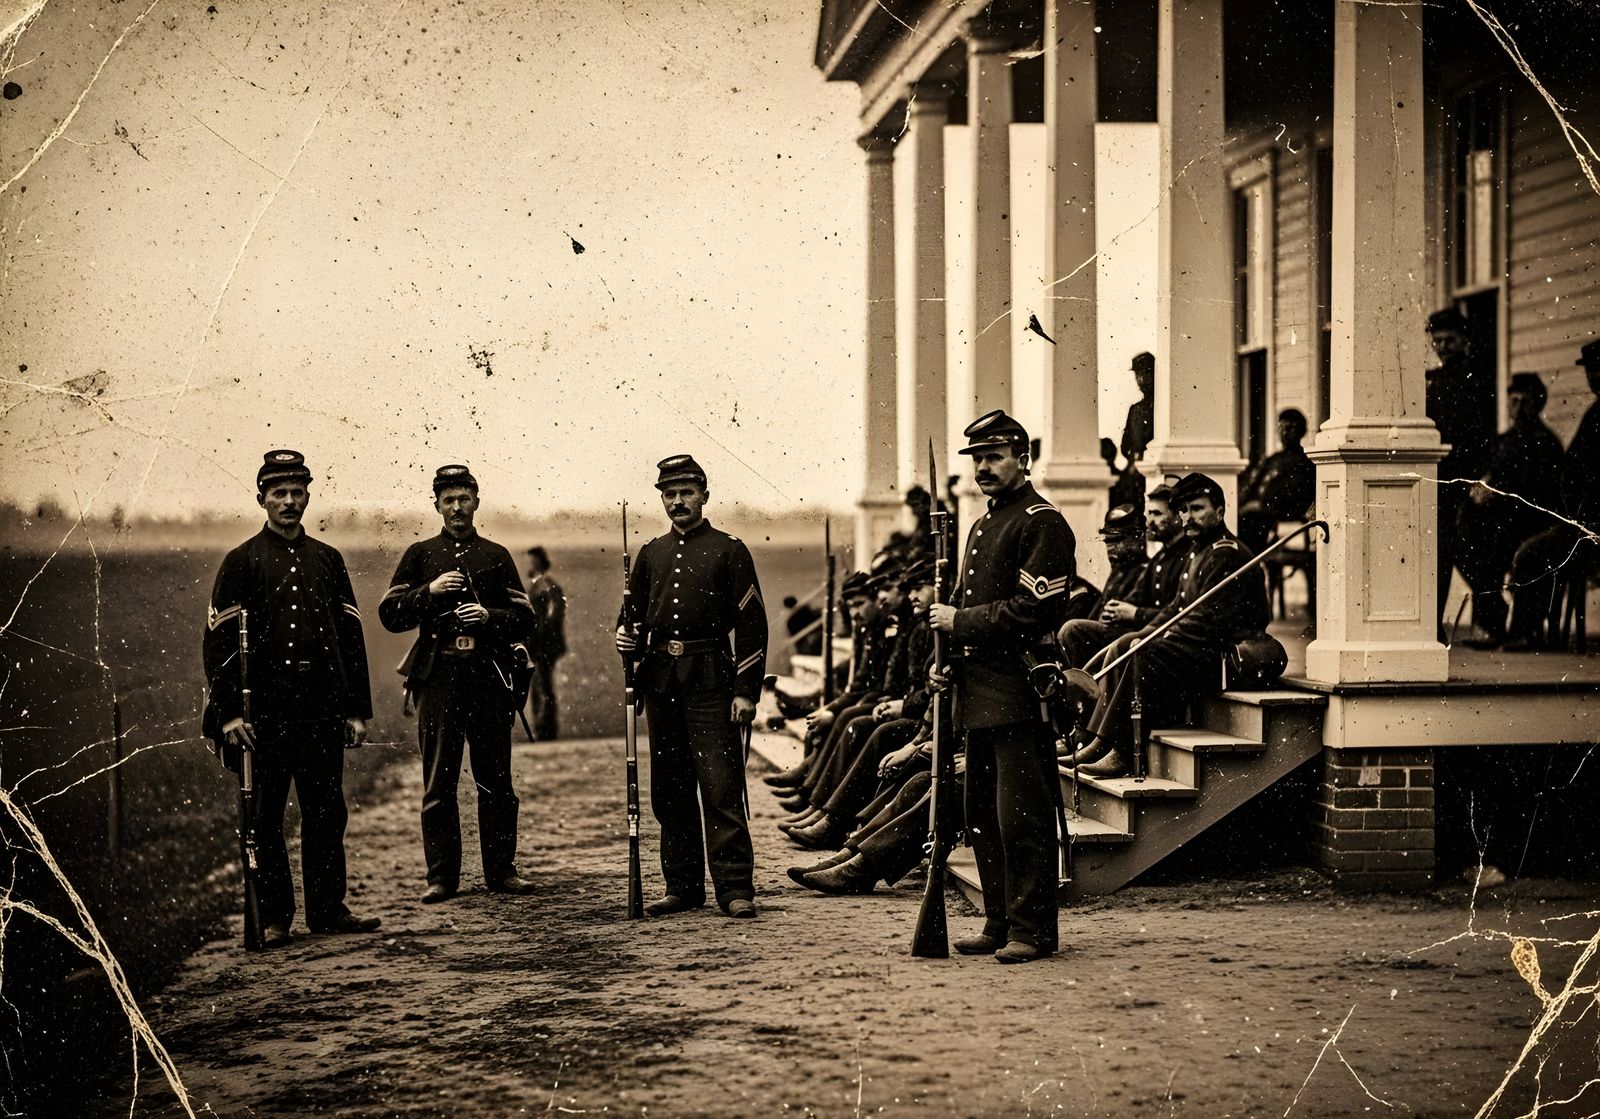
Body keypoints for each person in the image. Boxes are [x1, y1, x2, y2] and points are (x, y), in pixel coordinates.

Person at [201, 450, 381, 946]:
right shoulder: (240, 562)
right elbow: (217, 643)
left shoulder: (328, 559)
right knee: (266, 816)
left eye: (297, 492)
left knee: (326, 811)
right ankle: (276, 918)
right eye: (278, 493)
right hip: (266, 715)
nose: (288, 501)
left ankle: (328, 909)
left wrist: (355, 710)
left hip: (321, 708)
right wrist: (229, 714)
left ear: (307, 496)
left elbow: (351, 638)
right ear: (261, 498)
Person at [928, 409, 1077, 964]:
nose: (984, 468)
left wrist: (958, 624)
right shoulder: (984, 523)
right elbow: (968, 607)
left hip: (1019, 690)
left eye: (994, 456)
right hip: (979, 690)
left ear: (1023, 458)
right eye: (978, 459)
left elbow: (1035, 609)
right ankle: (998, 921)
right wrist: (947, 662)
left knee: (1022, 817)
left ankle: (1032, 930)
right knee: (983, 816)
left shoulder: (1041, 522)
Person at [614, 454, 769, 919]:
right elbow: (633, 620)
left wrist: (746, 691)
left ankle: (735, 888)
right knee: (670, 790)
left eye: (686, 493)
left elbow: (753, 626)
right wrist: (624, 637)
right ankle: (682, 886)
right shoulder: (650, 553)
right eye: (669, 494)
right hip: (661, 681)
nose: (677, 501)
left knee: (721, 786)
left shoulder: (729, 549)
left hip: (712, 682)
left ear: (704, 494)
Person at [379, 465, 537, 904]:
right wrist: (428, 591)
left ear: (477, 501)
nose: (456, 508)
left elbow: (526, 619)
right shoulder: (420, 554)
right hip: (438, 680)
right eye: (448, 500)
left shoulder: (496, 555)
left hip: (488, 679)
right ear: (436, 505)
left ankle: (502, 872)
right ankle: (442, 878)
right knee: (439, 781)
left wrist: (489, 618)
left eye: (464, 498)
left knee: (496, 779)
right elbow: (390, 616)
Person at [1072, 472, 1268, 779]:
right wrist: (1143, 632)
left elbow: (1206, 621)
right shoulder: (1199, 550)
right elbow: (1177, 607)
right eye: (1184, 510)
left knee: (1141, 652)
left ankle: (1122, 752)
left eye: (1198, 508)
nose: (1188, 517)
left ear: (1219, 510)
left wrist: (1151, 639)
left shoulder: (1225, 554)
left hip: (1222, 658)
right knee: (1127, 643)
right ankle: (1097, 740)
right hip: (1198, 649)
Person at [1455, 373, 1564, 648]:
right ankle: (1493, 622)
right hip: (1500, 521)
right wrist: (1479, 489)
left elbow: (1542, 494)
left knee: (1491, 546)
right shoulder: (1503, 441)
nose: (1517, 407)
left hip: (1532, 522)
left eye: (1525, 401)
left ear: (1537, 404)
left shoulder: (1546, 444)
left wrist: (1498, 495)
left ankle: (1517, 630)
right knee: (1463, 545)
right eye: (1513, 400)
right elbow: (1489, 474)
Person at [1506, 341, 1600, 649]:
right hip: (1580, 519)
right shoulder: (1594, 413)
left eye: (1598, 370)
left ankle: (1525, 632)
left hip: (1590, 525)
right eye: (1590, 370)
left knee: (1529, 554)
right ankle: (1526, 630)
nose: (1593, 376)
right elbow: (1571, 470)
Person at [1059, 487, 1189, 670]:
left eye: (1156, 514)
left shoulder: (1186, 558)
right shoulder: (1160, 559)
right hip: (1142, 632)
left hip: (1156, 636)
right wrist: (1116, 612)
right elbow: (1132, 600)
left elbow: (1179, 612)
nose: (1150, 522)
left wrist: (1135, 613)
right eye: (1149, 514)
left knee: (1073, 630)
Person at [1426, 307, 1497, 634]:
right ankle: (1434, 626)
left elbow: (1485, 433)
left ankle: (1493, 616)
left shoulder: (1477, 379)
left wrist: (1483, 476)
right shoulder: (1431, 381)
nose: (1443, 347)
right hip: (1438, 476)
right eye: (1438, 340)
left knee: (1471, 554)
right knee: (1438, 554)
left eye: (1450, 340)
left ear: (1465, 340)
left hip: (1469, 477)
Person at [1236, 409, 1316, 554]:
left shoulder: (1305, 463)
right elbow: (1253, 486)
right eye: (1282, 428)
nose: (1285, 433)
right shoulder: (1272, 460)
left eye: (1291, 428)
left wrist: (1259, 506)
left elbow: (1296, 498)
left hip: (1280, 518)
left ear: (1301, 431)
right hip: (1259, 516)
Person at [524, 545, 568, 740]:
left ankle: (544, 729)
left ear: (538, 563)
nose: (529, 564)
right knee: (541, 685)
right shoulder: (543, 585)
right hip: (541, 645)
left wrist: (537, 637)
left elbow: (553, 617)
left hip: (542, 646)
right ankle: (544, 728)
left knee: (541, 685)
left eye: (532, 561)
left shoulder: (545, 586)